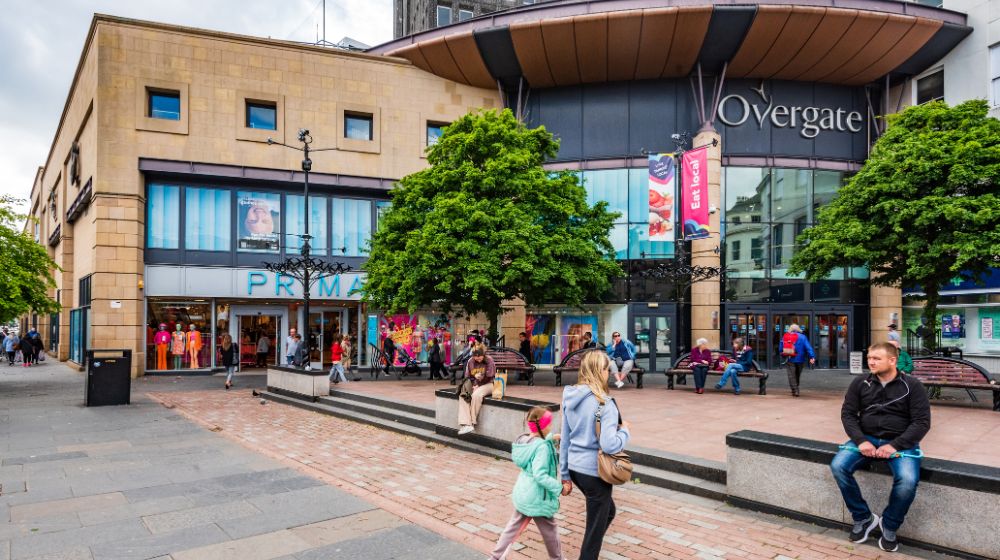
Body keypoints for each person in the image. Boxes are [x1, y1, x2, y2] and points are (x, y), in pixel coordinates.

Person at [831, 342, 930, 553]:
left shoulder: (912, 386)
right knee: (838, 466)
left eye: (876, 358)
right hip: (866, 438)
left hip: (901, 441)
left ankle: (890, 524)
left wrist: (894, 445)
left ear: (892, 360)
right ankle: (863, 518)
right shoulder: (860, 383)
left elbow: (921, 422)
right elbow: (848, 415)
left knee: (908, 481)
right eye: (869, 358)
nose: (871, 362)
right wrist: (861, 441)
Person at [559, 351, 630, 560]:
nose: (609, 372)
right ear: (598, 371)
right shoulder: (605, 403)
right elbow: (609, 445)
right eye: (607, 368)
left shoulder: (570, 396)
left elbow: (565, 437)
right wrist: (625, 431)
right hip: (595, 472)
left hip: (575, 468)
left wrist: (564, 474)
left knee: (607, 512)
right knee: (594, 532)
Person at [489, 406, 564, 560]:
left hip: (525, 492)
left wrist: (553, 437)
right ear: (542, 426)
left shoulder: (527, 441)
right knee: (550, 531)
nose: (550, 426)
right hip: (538, 497)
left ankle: (495, 557)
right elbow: (540, 475)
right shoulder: (542, 447)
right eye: (548, 424)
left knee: (512, 527)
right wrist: (559, 487)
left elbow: (537, 440)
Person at [457, 344, 495, 435]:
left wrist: (479, 383)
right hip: (475, 384)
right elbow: (467, 377)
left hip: (489, 384)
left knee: (476, 395)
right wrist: (473, 384)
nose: (477, 358)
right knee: (463, 395)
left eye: (480, 356)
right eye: (475, 356)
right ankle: (466, 424)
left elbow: (489, 376)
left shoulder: (489, 360)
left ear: (483, 354)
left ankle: (472, 422)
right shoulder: (470, 361)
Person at [782, 324, 816, 397]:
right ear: (798, 329)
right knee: (797, 374)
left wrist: (782, 354)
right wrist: (812, 357)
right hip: (800, 359)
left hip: (790, 357)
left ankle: (795, 389)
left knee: (791, 375)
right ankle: (796, 387)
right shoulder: (803, 337)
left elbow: (781, 347)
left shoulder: (786, 336)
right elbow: (808, 347)